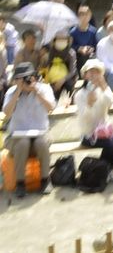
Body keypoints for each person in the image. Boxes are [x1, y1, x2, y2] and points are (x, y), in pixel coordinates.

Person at [3, 62, 56, 197]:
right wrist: (18, 92)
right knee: (23, 143)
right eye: (20, 79)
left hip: (40, 135)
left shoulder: (44, 89)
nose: (25, 81)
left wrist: (36, 91)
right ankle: (20, 183)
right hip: (16, 139)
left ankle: (45, 181)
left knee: (41, 143)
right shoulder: (11, 92)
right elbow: (7, 113)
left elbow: (51, 108)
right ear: (16, 80)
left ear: (34, 77)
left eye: (27, 77)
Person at [74, 59, 113, 178]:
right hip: (88, 134)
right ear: (85, 75)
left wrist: (104, 87)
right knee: (110, 143)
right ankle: (102, 170)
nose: (93, 75)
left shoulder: (103, 89)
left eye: (96, 71)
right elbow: (84, 117)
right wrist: (89, 104)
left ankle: (108, 169)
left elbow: (111, 102)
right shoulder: (80, 94)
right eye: (90, 72)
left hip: (104, 131)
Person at [43, 29, 77, 102]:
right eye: (59, 39)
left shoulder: (71, 53)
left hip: (67, 78)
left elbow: (72, 71)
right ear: (55, 40)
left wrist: (62, 80)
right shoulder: (51, 52)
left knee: (69, 85)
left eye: (63, 39)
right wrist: (46, 81)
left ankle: (72, 103)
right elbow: (46, 68)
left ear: (67, 41)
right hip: (52, 78)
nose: (61, 41)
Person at [70, 3, 99, 73]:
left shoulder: (93, 31)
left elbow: (96, 45)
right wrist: (79, 48)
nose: (84, 17)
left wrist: (91, 49)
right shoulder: (73, 32)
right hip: (77, 57)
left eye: (86, 14)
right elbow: (70, 46)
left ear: (90, 16)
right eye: (82, 14)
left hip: (90, 56)